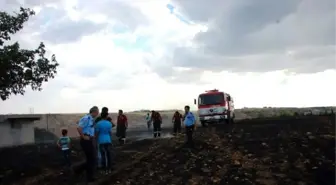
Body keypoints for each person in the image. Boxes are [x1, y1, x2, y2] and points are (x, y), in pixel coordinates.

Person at [77, 106, 99, 183]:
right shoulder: (86, 118)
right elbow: (79, 128)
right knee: (92, 158)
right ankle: (89, 177)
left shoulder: (92, 119)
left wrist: (92, 136)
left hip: (90, 139)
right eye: (97, 112)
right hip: (86, 141)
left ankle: (79, 170)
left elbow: (90, 129)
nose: (98, 113)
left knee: (91, 159)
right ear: (94, 112)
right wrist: (83, 136)